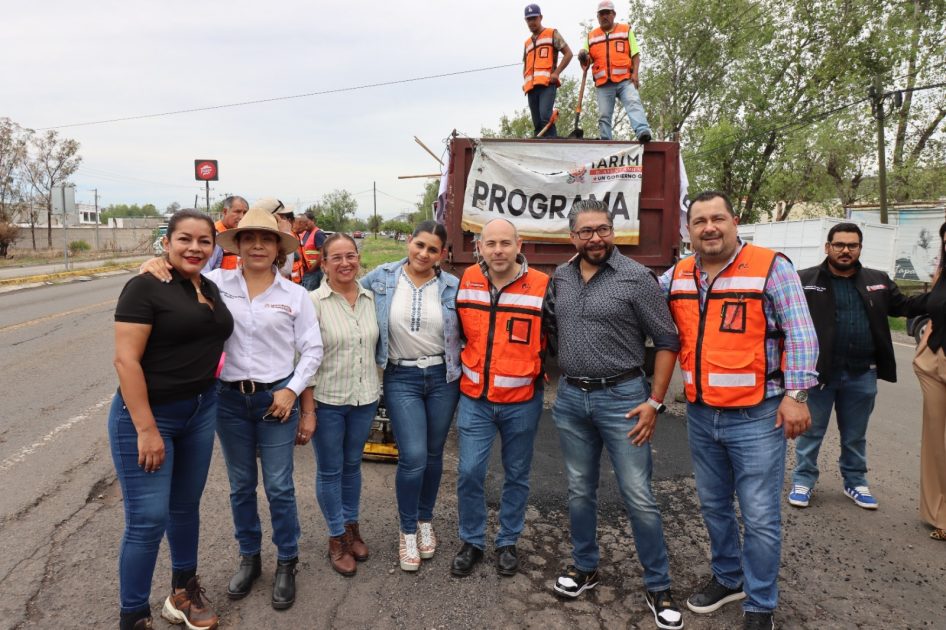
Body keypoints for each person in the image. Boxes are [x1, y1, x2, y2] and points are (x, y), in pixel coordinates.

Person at [140, 205, 324, 610]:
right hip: (226, 400)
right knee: (241, 486)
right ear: (237, 244)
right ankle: (250, 557)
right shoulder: (213, 282)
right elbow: (168, 277)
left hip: (276, 400)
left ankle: (287, 561)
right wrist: (154, 260)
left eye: (267, 239)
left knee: (278, 486)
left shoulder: (295, 295)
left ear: (278, 247)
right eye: (249, 238)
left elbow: (312, 350)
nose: (258, 245)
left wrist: (292, 391)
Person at [659, 191, 818, 630]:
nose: (709, 227)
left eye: (718, 219)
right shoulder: (677, 275)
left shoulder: (771, 267)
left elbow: (801, 333)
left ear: (735, 221)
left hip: (757, 415)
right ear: (687, 230)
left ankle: (761, 604)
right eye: (699, 221)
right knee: (713, 506)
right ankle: (729, 579)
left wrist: (796, 395)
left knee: (760, 513)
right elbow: (637, 306)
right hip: (700, 411)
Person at [546, 200, 683, 630]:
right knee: (579, 489)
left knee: (638, 495)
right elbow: (552, 327)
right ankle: (585, 567)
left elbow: (666, 340)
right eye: (585, 232)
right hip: (570, 398)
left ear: (614, 230)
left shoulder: (637, 279)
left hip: (623, 398)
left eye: (602, 229)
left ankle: (658, 585)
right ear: (573, 237)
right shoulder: (561, 278)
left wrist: (655, 401)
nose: (595, 238)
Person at [110, 209, 233, 630]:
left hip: (200, 410)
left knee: (185, 508)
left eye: (204, 241)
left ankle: (182, 592)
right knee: (147, 520)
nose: (194, 248)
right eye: (185, 239)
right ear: (166, 242)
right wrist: (146, 429)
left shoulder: (211, 289)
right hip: (149, 415)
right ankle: (133, 616)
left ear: (214, 247)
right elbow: (126, 361)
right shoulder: (144, 287)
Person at [361, 220, 461, 572]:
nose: (424, 254)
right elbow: (347, 297)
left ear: (442, 254)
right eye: (419, 245)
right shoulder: (381, 278)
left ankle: (424, 521)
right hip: (400, 376)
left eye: (433, 249)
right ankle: (406, 532)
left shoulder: (452, 286)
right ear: (408, 242)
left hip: (442, 378)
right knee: (413, 455)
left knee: (433, 454)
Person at [451, 218, 548, 578]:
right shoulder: (468, 281)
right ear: (479, 247)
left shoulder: (541, 286)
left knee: (517, 474)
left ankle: (507, 541)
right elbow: (458, 332)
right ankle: (472, 541)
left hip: (522, 400)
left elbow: (553, 335)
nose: (498, 250)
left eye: (505, 243)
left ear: (519, 244)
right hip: (475, 399)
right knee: (469, 472)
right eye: (490, 243)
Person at [790, 223, 911, 510]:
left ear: (859, 248)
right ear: (828, 247)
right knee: (811, 431)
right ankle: (803, 480)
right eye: (839, 244)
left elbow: (907, 306)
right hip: (817, 375)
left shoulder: (877, 280)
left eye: (852, 245)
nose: (846, 250)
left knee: (855, 435)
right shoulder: (804, 280)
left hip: (862, 373)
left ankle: (855, 482)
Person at [301, 233, 380, 576]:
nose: (345, 263)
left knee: (352, 467)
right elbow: (302, 359)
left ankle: (351, 527)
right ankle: (336, 537)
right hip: (328, 400)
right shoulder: (313, 302)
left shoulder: (370, 298)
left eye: (351, 256)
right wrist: (307, 409)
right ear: (324, 263)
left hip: (364, 399)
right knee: (330, 470)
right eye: (337, 258)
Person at [910, 221, 946, 542]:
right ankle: (940, 514)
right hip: (935, 359)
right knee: (935, 442)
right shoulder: (941, 277)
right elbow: (932, 310)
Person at [577, 0, 653, 142]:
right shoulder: (591, 36)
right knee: (604, 115)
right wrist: (583, 55)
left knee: (633, 102)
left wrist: (635, 73)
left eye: (607, 13)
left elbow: (635, 54)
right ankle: (606, 140)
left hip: (625, 80)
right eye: (601, 14)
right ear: (597, 16)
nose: (604, 16)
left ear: (614, 14)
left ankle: (643, 132)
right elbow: (587, 58)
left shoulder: (625, 30)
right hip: (604, 83)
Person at [522, 4, 573, 138]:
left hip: (546, 84)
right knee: (537, 123)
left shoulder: (552, 34)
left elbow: (568, 54)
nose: (532, 22)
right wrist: (525, 81)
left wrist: (556, 73)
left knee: (545, 117)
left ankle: (552, 145)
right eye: (529, 19)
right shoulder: (527, 43)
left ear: (540, 17)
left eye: (534, 18)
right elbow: (525, 64)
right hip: (531, 87)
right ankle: (539, 150)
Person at [210, 195, 249, 270]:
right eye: (237, 211)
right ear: (225, 211)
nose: (242, 217)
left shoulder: (245, 236)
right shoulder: (213, 235)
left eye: (245, 213)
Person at [295, 211, 327, 290]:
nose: (304, 224)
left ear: (313, 221)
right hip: (305, 272)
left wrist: (312, 269)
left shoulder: (318, 234)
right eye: (302, 223)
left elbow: (323, 253)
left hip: (313, 272)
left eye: (306, 222)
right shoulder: (304, 233)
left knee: (310, 296)